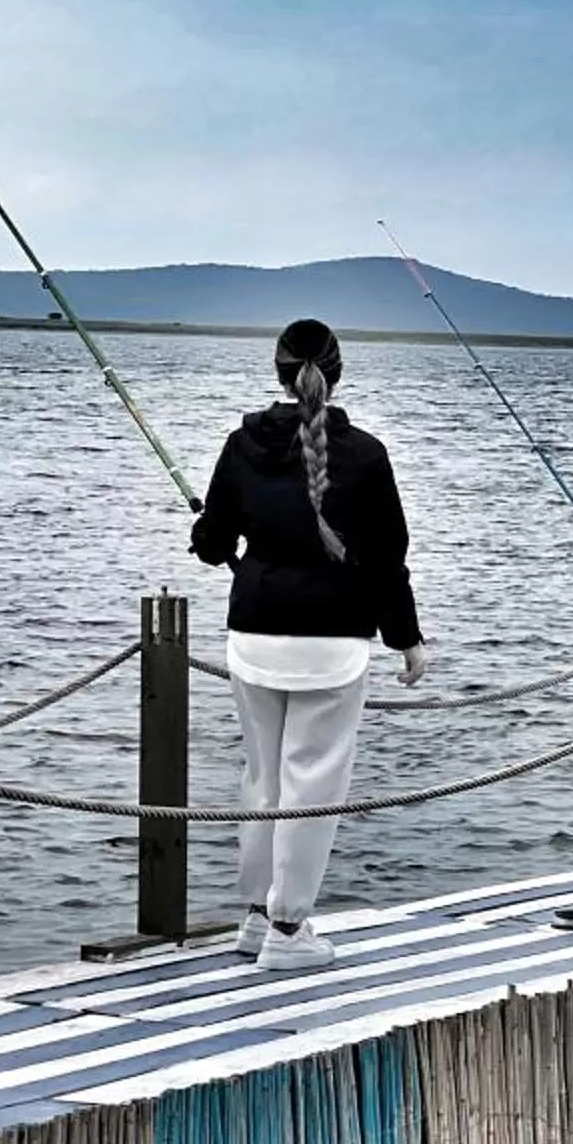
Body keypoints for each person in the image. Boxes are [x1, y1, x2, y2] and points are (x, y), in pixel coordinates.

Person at [189, 317, 431, 968]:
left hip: (254, 635)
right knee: (309, 787)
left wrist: (211, 535)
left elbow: (213, 544)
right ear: (336, 370)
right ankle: (289, 932)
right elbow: (387, 559)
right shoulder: (367, 453)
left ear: (278, 369)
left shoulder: (242, 443)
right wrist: (406, 638)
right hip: (332, 646)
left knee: (262, 779)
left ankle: (258, 917)